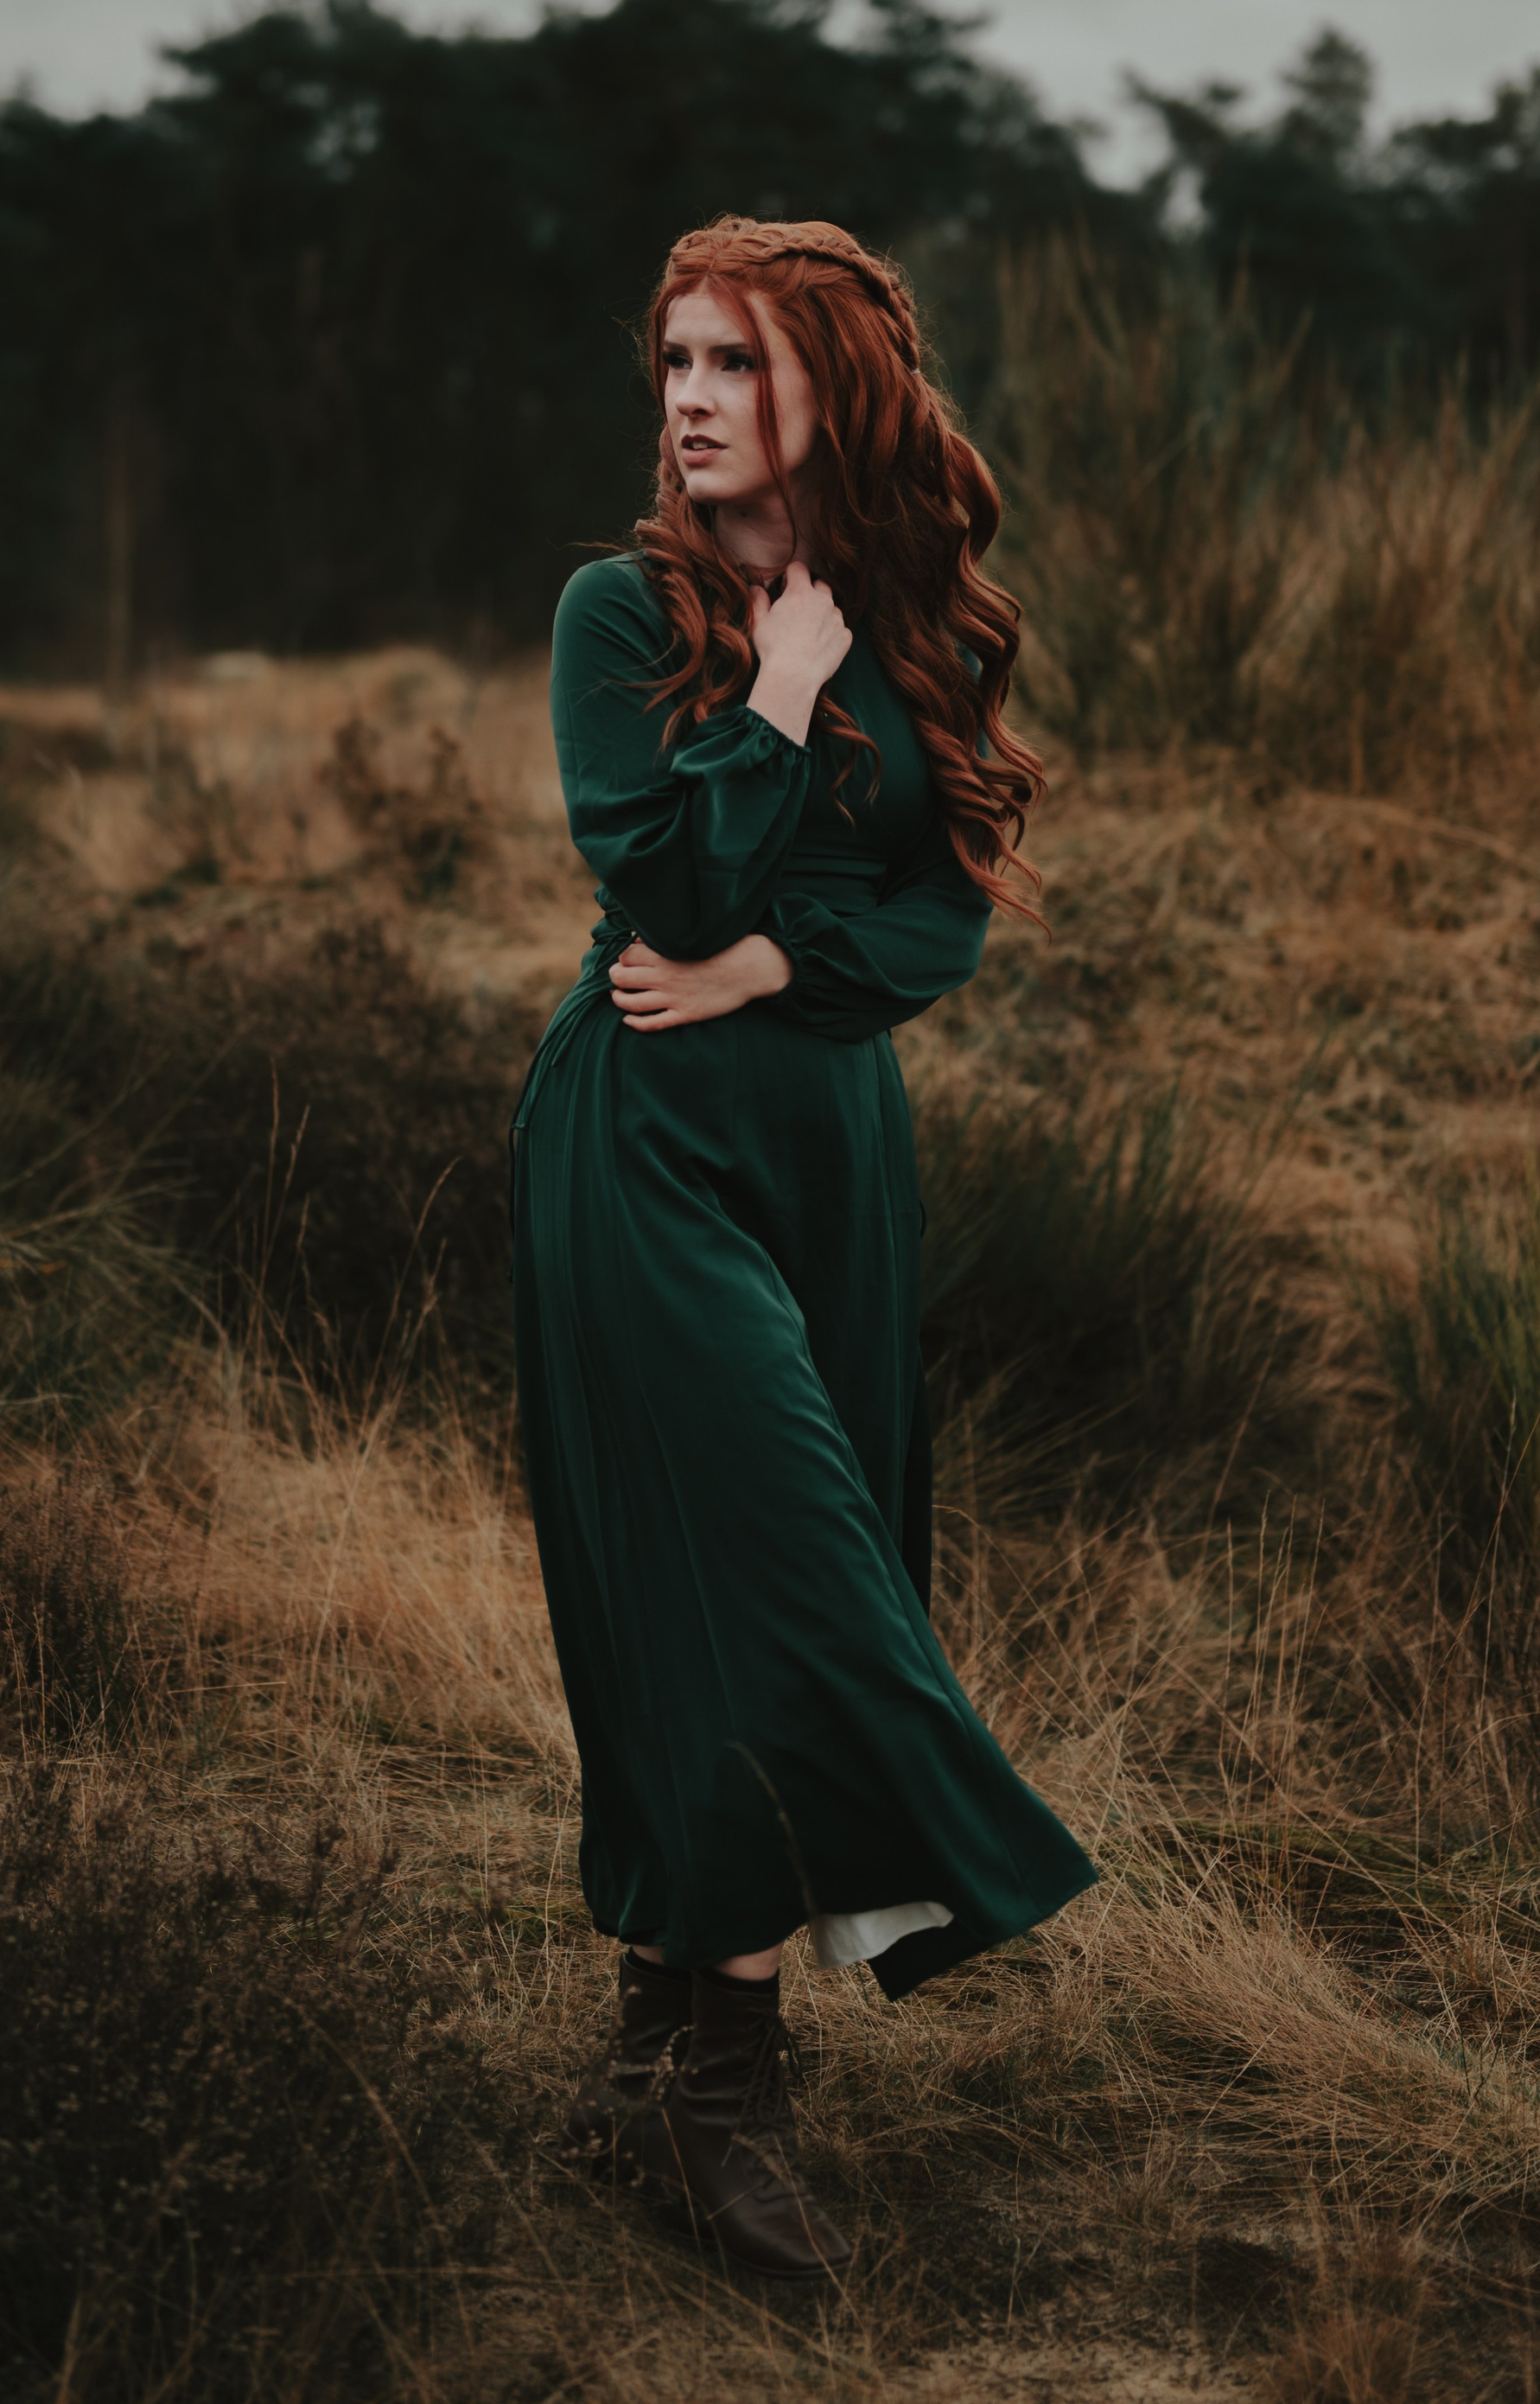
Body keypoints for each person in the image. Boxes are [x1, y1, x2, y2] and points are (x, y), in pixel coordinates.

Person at [510, 216, 1096, 2281]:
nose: (686, 396)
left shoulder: (917, 622)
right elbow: (659, 882)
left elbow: (939, 909)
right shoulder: (617, 613)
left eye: (733, 360)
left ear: (826, 390)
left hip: (830, 1154)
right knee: (771, 1573)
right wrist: (767, 696)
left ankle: (654, 2064)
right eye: (673, 358)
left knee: (752, 1584)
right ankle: (730, 2094)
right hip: (643, 1146)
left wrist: (777, 959)